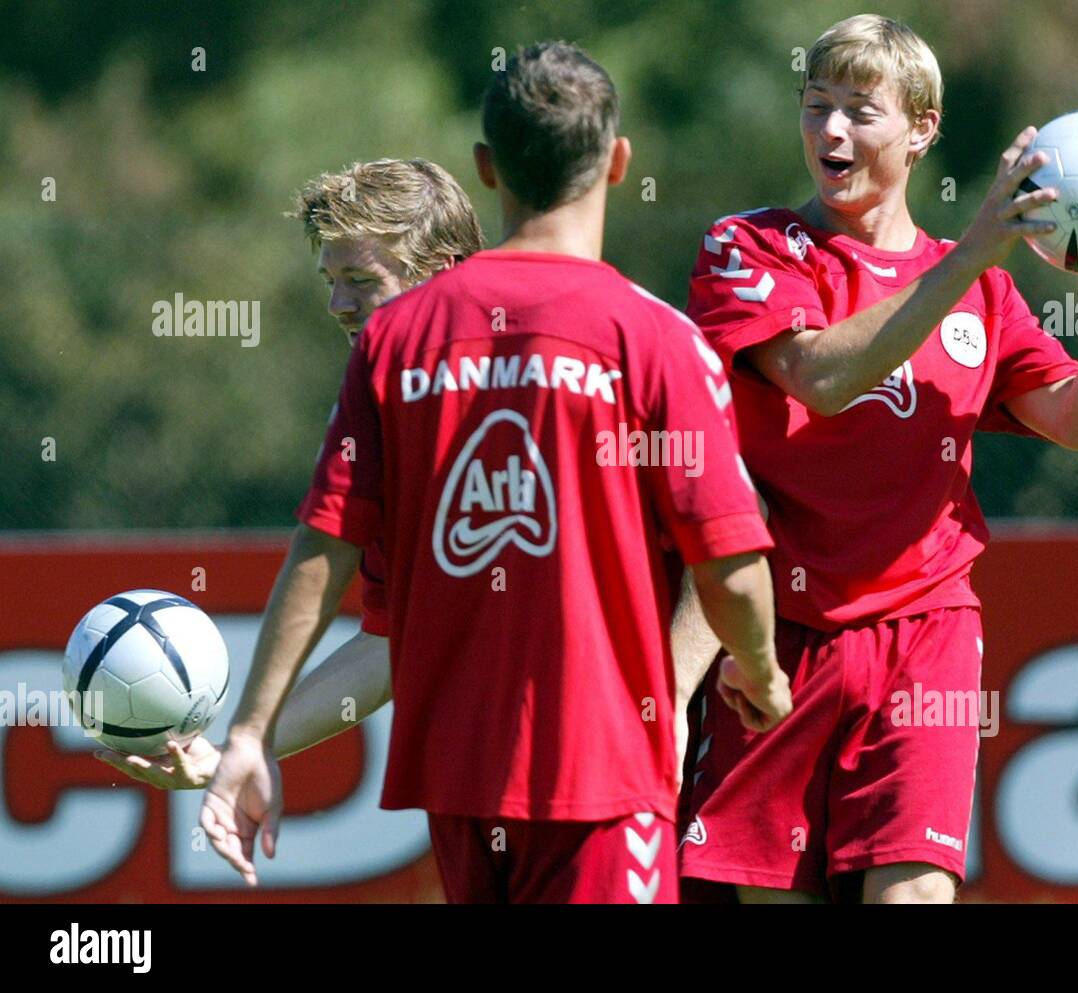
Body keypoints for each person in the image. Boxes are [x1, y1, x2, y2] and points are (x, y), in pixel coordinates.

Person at [198, 41, 791, 904]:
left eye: (357, 278)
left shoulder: (398, 348)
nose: (340, 304)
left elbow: (320, 547)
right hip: (589, 781)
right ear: (619, 163)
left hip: (529, 779)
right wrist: (764, 670)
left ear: (486, 167)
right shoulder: (656, 339)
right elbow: (732, 553)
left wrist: (251, 730)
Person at [677, 14, 1078, 904]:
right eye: (816, 105)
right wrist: (976, 253)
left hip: (926, 634)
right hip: (775, 640)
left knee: (913, 896)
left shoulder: (979, 286)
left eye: (858, 111)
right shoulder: (750, 246)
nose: (829, 131)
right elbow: (820, 376)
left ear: (922, 129)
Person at [95, 158, 485, 788]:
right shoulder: (378, 409)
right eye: (330, 280)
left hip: (619, 753)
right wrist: (236, 753)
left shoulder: (565, 368)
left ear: (438, 274)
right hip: (478, 773)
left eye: (360, 278)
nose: (336, 303)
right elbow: (389, 644)